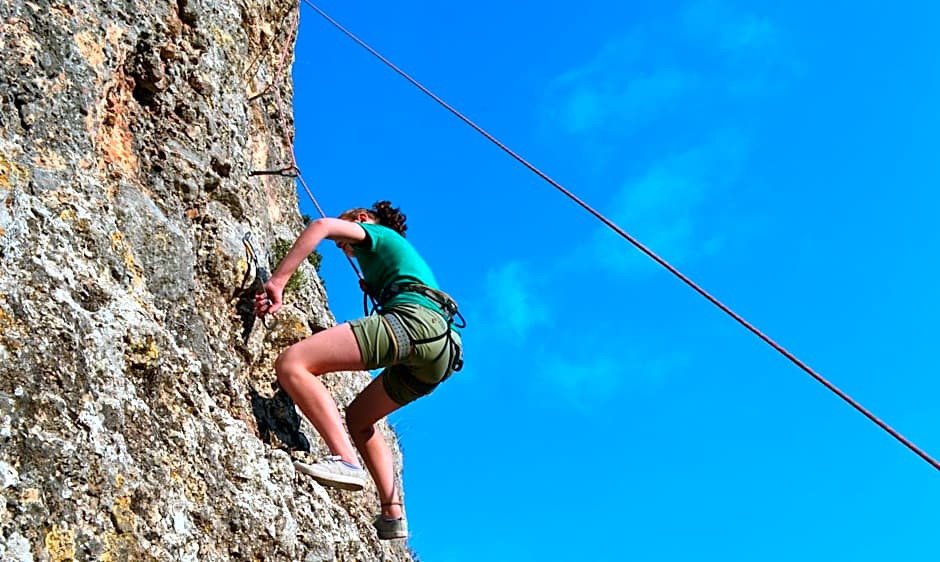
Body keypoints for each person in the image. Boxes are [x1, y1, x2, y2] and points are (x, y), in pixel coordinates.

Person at [254, 200, 463, 541]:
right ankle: (393, 513)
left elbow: (321, 227)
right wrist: (378, 285)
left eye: (346, 244)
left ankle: (345, 459)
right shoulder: (399, 258)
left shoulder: (376, 233)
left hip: (414, 323)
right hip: (441, 351)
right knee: (359, 419)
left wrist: (278, 281)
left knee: (293, 363)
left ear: (361, 220)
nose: (346, 251)